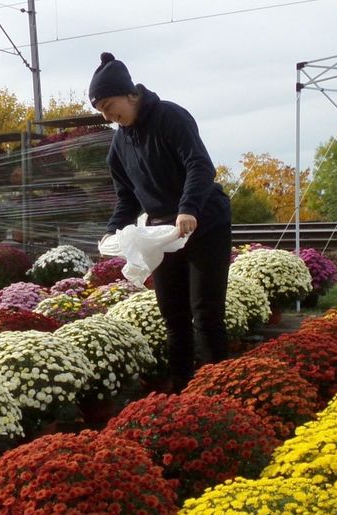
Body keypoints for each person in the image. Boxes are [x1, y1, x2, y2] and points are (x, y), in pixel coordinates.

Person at [89, 52, 232, 392]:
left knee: (206, 313)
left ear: (130, 94)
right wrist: (113, 231)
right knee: (174, 316)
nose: (109, 116)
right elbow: (127, 197)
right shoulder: (119, 144)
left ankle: (220, 391)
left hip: (204, 222)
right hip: (163, 234)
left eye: (110, 106)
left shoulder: (171, 117)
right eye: (102, 112)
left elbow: (200, 166)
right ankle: (183, 391)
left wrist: (188, 208)